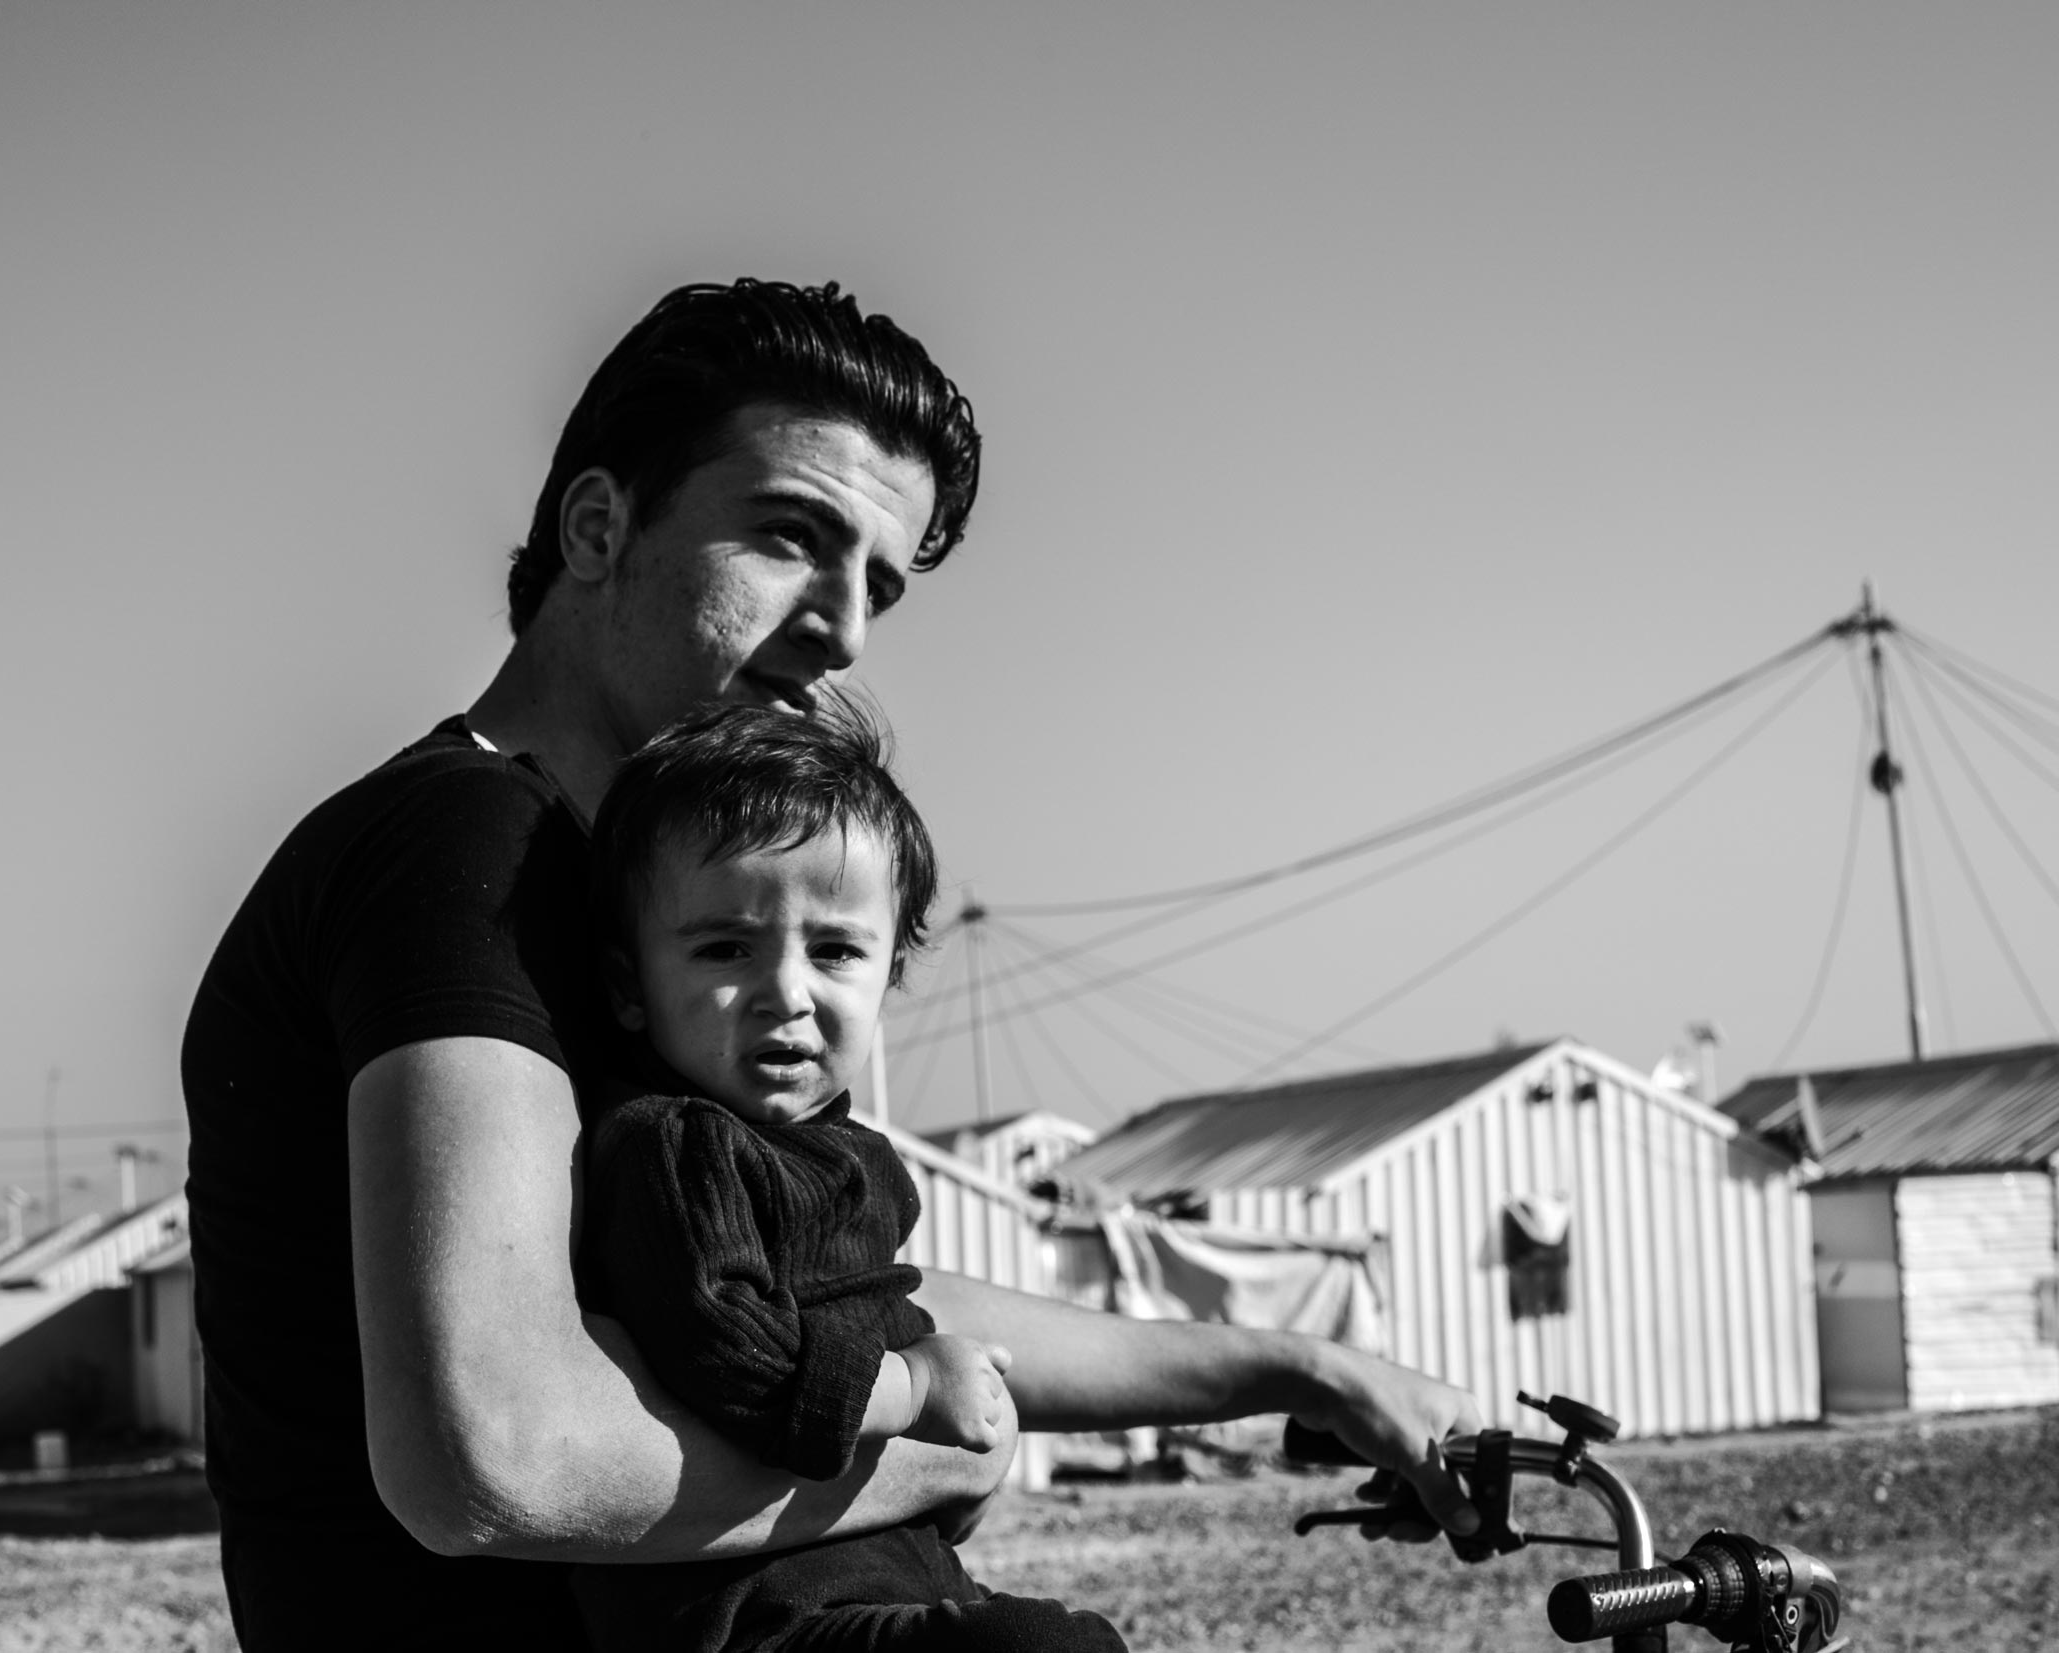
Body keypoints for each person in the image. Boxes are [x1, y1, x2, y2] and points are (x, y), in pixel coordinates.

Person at [182, 278, 1483, 1653]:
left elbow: (816, 1281)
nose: (845, 626)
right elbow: (491, 1456)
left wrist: (1306, 1366)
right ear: (597, 524)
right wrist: (943, 1445)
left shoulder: (649, 899)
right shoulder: (465, 845)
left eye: (879, 582)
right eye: (793, 537)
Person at [570, 701, 1124, 1651]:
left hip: (874, 1574)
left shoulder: (850, 1154)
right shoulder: (677, 1147)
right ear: (628, 985)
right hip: (751, 1616)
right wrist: (913, 1387)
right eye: (723, 948)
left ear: (890, 973)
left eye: (833, 950)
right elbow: (732, 1354)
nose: (787, 992)